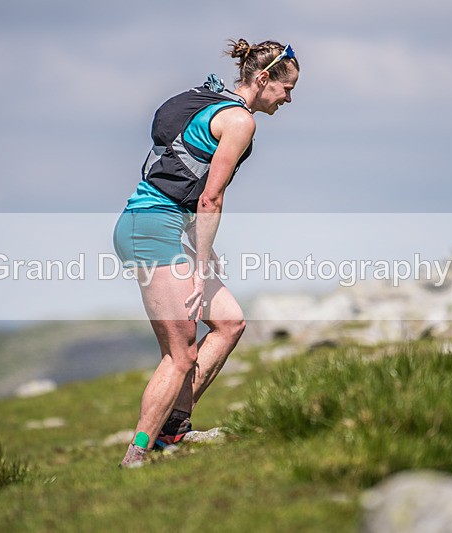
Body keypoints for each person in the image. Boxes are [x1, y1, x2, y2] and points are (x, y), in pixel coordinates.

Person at [113, 38, 299, 468]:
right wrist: (199, 266)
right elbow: (210, 198)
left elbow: (187, 178)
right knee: (181, 355)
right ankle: (138, 454)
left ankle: (172, 428)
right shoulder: (239, 121)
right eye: (286, 89)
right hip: (152, 230)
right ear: (264, 78)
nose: (289, 99)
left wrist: (201, 249)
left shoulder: (210, 100)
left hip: (157, 226)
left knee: (230, 322)